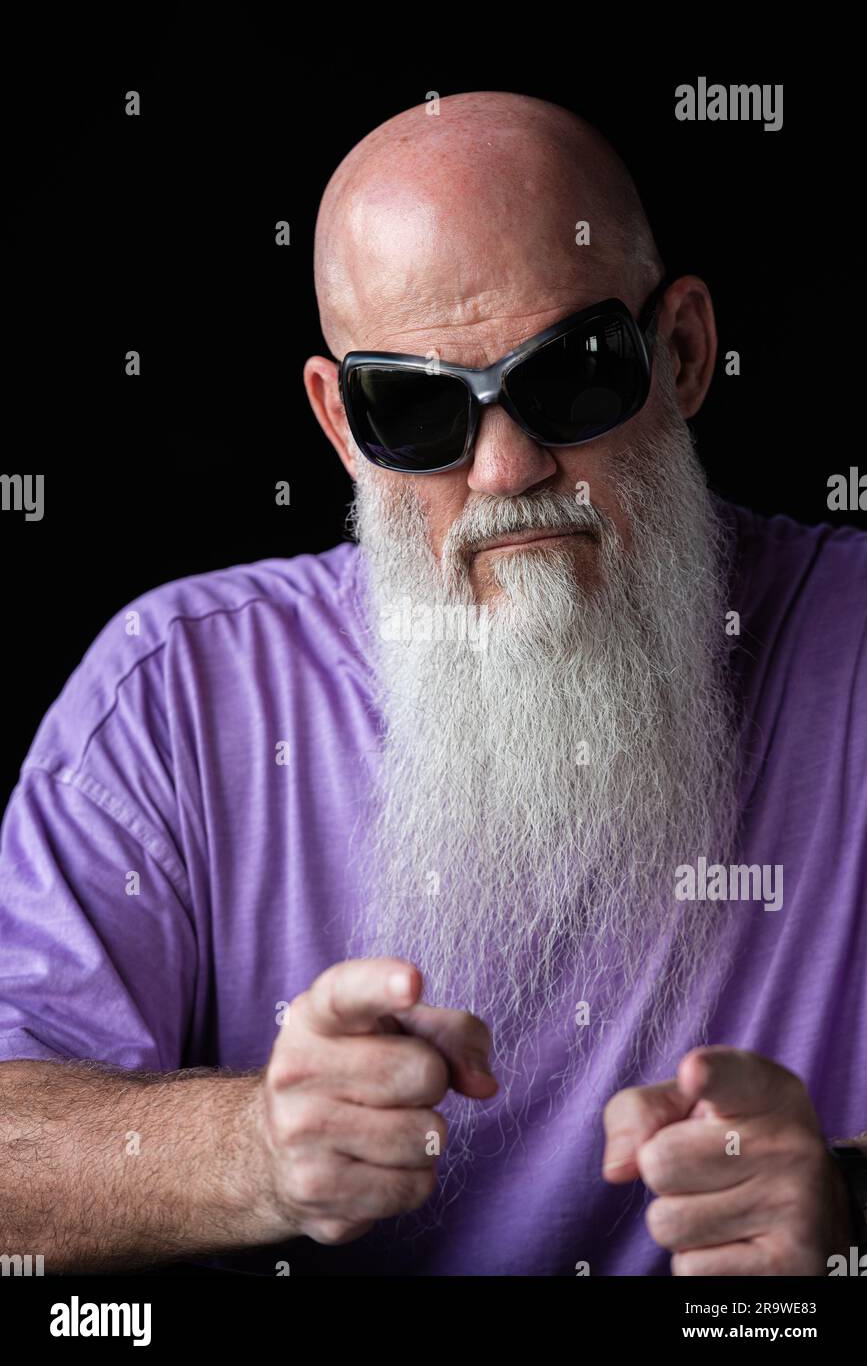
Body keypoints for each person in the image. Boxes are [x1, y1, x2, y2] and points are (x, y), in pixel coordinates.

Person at [1, 92, 865, 1277]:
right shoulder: (175, 697)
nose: (507, 468)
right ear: (340, 423)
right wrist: (251, 1149)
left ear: (683, 352)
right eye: (416, 408)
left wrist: (850, 1200)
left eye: (571, 373)